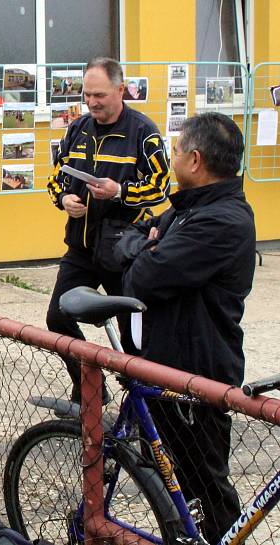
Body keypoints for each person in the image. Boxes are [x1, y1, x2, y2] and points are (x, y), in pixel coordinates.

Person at [116, 113, 253, 542]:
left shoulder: (222, 220)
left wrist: (147, 248)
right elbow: (125, 239)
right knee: (168, 486)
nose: (171, 158)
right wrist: (148, 243)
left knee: (207, 487)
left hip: (198, 375)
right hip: (161, 366)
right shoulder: (188, 206)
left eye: (175, 151)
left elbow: (141, 279)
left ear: (194, 160)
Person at [45, 58, 170, 408]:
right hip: (81, 248)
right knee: (57, 319)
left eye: (99, 94)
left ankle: (144, 408)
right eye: (87, 95)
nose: (92, 102)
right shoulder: (78, 128)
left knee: (135, 341)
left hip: (122, 251)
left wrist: (120, 192)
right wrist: (64, 198)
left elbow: (161, 187)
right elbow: (56, 178)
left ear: (120, 89)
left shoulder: (144, 132)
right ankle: (89, 386)